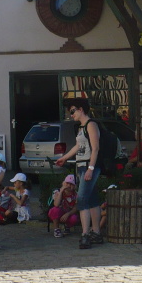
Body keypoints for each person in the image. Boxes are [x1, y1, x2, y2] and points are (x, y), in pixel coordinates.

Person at [55, 97, 103, 250]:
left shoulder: (91, 125)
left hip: (89, 166)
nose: (71, 115)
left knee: (82, 199)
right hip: (82, 166)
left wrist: (91, 168)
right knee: (92, 199)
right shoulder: (81, 127)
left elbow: (95, 148)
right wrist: (64, 158)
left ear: (81, 109)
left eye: (73, 111)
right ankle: (96, 232)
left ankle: (85, 234)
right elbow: (78, 146)